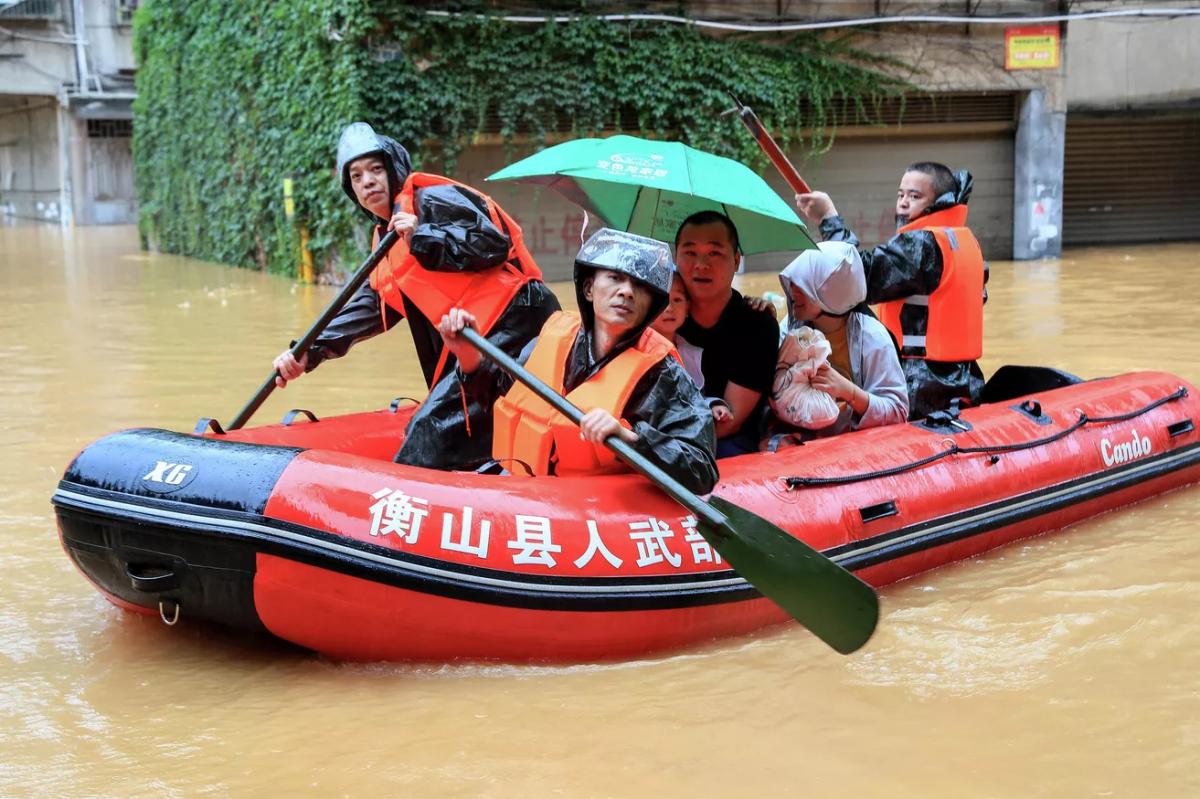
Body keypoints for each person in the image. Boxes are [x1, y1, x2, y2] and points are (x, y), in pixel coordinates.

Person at [272, 122, 560, 470]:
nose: (368, 181)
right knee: (435, 424)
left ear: (393, 170)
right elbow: (368, 308)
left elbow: (493, 241)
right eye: (357, 176)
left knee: (430, 428)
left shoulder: (431, 199)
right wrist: (308, 351)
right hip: (472, 340)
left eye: (376, 169)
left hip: (517, 321)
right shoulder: (384, 244)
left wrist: (423, 235)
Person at [436, 228, 719, 495]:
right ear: (588, 290)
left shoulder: (662, 373)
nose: (627, 292)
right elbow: (502, 395)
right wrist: (465, 352)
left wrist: (629, 437)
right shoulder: (554, 336)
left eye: (640, 286)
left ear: (652, 305)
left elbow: (701, 469)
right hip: (523, 488)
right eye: (615, 278)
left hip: (589, 508)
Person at [795, 162, 986, 419]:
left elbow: (852, 277)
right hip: (965, 381)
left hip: (923, 386)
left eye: (915, 196)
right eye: (901, 194)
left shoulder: (923, 244)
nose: (904, 203)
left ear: (939, 202)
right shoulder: (964, 241)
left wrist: (828, 218)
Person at [764, 241, 908, 448]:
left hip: (850, 451)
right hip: (796, 445)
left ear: (831, 294)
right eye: (794, 282)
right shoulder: (789, 328)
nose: (793, 290)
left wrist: (848, 391)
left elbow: (898, 411)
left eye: (805, 285)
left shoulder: (873, 338)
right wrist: (761, 327)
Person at [674, 210, 781, 457]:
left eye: (714, 253)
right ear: (675, 257)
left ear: (736, 260)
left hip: (728, 442)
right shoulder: (660, 313)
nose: (701, 264)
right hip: (663, 429)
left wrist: (654, 442)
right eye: (690, 253)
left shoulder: (756, 324)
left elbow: (729, 422)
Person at [648, 272, 734, 430]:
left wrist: (712, 406)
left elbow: (694, 397)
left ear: (687, 306)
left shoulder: (690, 353)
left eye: (677, 300)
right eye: (662, 299)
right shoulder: (636, 349)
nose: (669, 308)